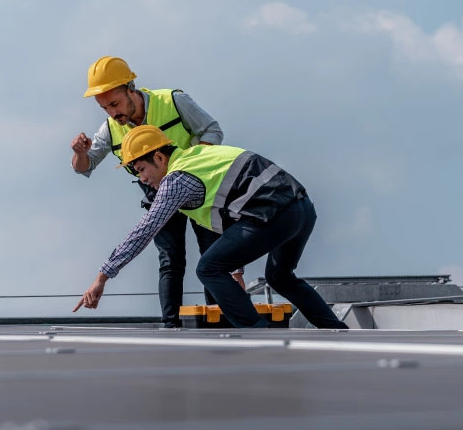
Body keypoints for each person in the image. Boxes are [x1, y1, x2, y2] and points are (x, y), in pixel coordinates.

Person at [73, 125, 348, 329]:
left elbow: (146, 230)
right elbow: (230, 219)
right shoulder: (199, 156)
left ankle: (260, 335)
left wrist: (102, 277)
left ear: (159, 158)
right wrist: (237, 270)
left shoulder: (177, 180)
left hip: (272, 213)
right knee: (280, 277)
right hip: (301, 208)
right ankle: (336, 330)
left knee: (207, 267)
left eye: (141, 169)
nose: (143, 179)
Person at [71, 56, 243, 328]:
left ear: (131, 89)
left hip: (197, 189)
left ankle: (222, 319)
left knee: (213, 255)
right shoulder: (110, 128)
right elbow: (85, 167)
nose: (112, 113)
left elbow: (212, 130)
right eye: (104, 108)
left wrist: (194, 167)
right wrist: (79, 154)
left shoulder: (174, 101)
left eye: (114, 104)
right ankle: (171, 325)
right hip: (157, 192)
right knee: (170, 259)